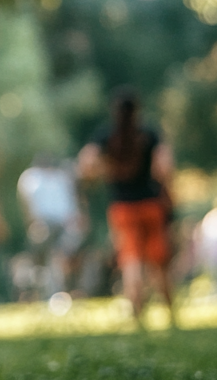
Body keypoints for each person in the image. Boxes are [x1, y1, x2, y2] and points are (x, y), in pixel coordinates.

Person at [78, 89, 174, 326]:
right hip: (151, 204)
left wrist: (105, 173)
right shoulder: (150, 133)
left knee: (131, 260)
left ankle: (137, 317)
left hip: (122, 206)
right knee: (158, 262)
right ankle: (170, 315)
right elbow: (164, 168)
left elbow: (85, 164)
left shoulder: (106, 135)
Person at [16, 154, 86, 299]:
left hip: (64, 224)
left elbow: (71, 202)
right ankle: (48, 293)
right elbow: (27, 203)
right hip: (43, 224)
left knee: (63, 256)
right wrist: (33, 222)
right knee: (45, 260)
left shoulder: (61, 177)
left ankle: (67, 291)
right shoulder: (31, 177)